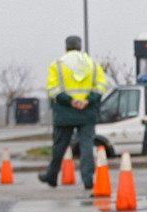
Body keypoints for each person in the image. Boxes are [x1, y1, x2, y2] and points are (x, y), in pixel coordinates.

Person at [38, 35, 107, 189]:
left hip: (65, 112)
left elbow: (52, 89)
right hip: (87, 111)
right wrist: (87, 100)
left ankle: (51, 175)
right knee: (86, 146)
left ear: (66, 46)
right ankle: (88, 179)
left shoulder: (57, 65)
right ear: (80, 46)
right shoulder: (92, 64)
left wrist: (70, 101)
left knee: (59, 145)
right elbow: (102, 85)